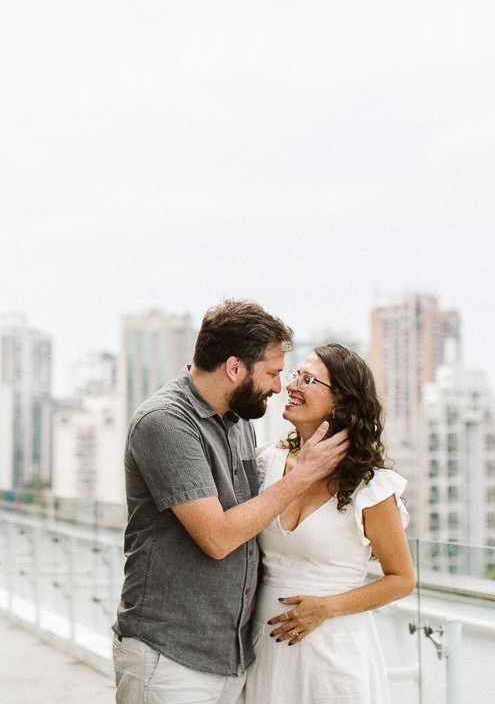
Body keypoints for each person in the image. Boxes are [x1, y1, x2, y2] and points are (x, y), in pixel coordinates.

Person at [114, 300, 348, 704]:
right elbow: (218, 538)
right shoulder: (165, 423)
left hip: (232, 659)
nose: (279, 387)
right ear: (235, 368)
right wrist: (303, 475)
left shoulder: (238, 423)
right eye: (272, 373)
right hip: (169, 658)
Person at [243, 342, 415, 704]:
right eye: (296, 374)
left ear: (339, 402)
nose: (291, 385)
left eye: (308, 379)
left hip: (336, 656)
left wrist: (326, 607)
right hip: (269, 652)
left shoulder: (370, 487)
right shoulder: (266, 464)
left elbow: (401, 579)